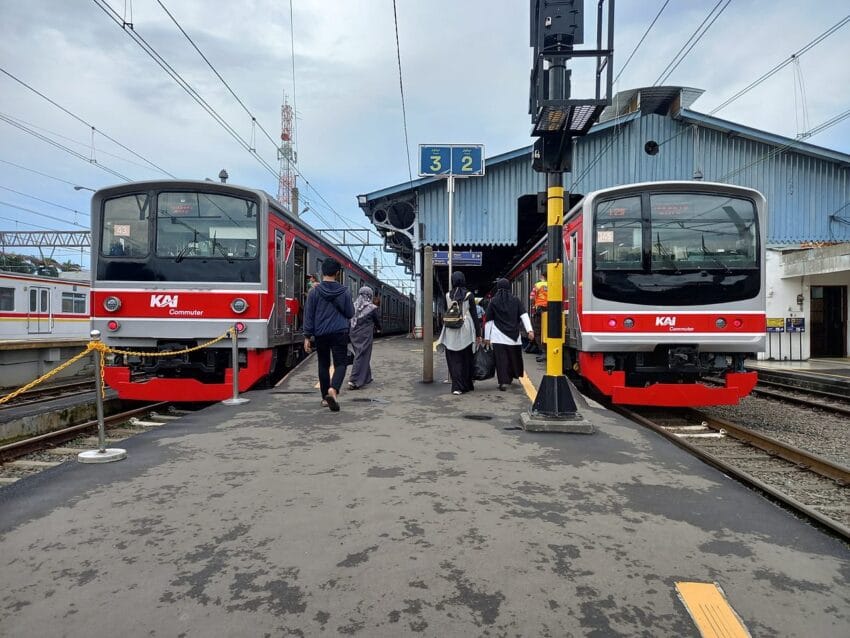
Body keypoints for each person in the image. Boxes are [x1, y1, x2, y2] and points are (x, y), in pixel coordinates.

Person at [303, 259, 354, 411]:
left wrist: (307, 336)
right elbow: (350, 313)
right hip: (339, 332)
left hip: (321, 333)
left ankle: (325, 398)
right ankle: (334, 390)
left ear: (322, 272)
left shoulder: (314, 292)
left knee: (323, 365)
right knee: (341, 364)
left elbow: (309, 315)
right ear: (337, 273)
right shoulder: (344, 291)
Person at [436, 271, 482, 395]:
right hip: (466, 327)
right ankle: (466, 385)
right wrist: (478, 334)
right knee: (467, 358)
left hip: (451, 328)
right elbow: (474, 315)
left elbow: (448, 311)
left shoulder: (447, 295)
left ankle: (456, 386)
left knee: (453, 359)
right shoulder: (469, 295)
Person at [484, 278, 534, 391]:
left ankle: (503, 382)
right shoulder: (516, 300)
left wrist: (487, 337)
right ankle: (511, 377)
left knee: (501, 360)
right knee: (513, 358)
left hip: (498, 336)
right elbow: (524, 316)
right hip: (514, 337)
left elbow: (489, 321)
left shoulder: (493, 301)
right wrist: (529, 330)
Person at [347, 286, 381, 390]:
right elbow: (377, 321)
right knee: (362, 354)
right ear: (370, 295)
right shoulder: (372, 308)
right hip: (365, 335)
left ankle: (367, 377)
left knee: (361, 353)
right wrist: (379, 329)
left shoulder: (353, 306)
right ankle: (354, 380)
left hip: (353, 334)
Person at [528, 267, 548, 358]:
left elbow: (531, 297)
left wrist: (534, 304)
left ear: (541, 276)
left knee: (538, 331)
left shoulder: (538, 285)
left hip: (540, 310)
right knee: (548, 331)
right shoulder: (553, 284)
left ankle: (543, 351)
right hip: (552, 310)